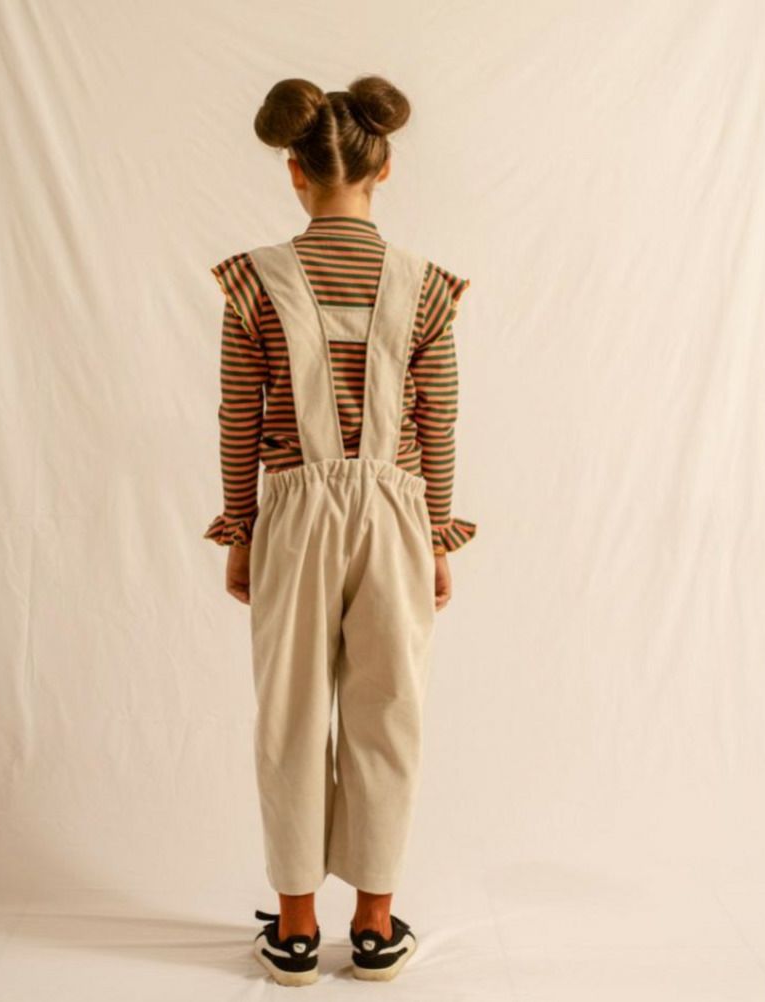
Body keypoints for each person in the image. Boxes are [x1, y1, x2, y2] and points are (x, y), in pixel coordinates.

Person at [204, 74, 476, 985]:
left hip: (292, 512)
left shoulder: (254, 281)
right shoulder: (427, 288)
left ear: (294, 170)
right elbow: (438, 421)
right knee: (388, 707)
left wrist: (241, 528)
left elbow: (239, 416)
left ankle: (292, 928)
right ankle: (374, 922)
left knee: (288, 710)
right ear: (383, 168)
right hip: (397, 513)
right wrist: (436, 536)